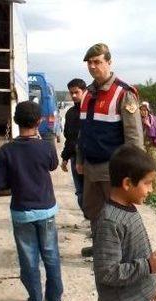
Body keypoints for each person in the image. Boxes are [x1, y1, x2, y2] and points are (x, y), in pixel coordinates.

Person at [0, 101, 63, 301]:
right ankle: (55, 300)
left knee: (29, 259)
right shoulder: (45, 147)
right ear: (39, 121)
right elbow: (53, 165)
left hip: (22, 212)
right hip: (47, 210)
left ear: (15, 121)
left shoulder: (6, 151)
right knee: (51, 255)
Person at [76, 43, 144, 257]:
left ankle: (124, 252)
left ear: (109, 62)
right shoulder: (87, 93)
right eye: (89, 62)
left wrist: (133, 171)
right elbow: (83, 131)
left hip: (113, 167)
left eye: (97, 62)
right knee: (93, 210)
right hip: (90, 166)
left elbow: (133, 137)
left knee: (117, 212)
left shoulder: (124, 93)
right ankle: (100, 247)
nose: (93, 66)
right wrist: (80, 159)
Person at [93, 144, 156, 301]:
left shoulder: (129, 208)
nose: (151, 189)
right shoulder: (110, 221)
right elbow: (107, 272)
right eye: (147, 183)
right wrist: (148, 265)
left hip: (137, 297)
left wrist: (150, 288)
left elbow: (135, 254)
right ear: (127, 184)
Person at [61, 78, 86, 211]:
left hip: (90, 158)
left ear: (84, 91)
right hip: (75, 158)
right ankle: (88, 218)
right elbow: (69, 138)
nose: (74, 95)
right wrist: (65, 158)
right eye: (72, 93)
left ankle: (95, 221)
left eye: (77, 92)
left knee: (93, 191)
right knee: (80, 191)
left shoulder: (92, 111)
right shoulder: (70, 113)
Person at [139, 101, 156, 168]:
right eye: (142, 110)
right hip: (142, 146)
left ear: (148, 111)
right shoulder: (138, 120)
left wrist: (148, 125)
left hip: (152, 145)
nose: (144, 112)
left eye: (146, 110)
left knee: (154, 165)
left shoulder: (152, 119)